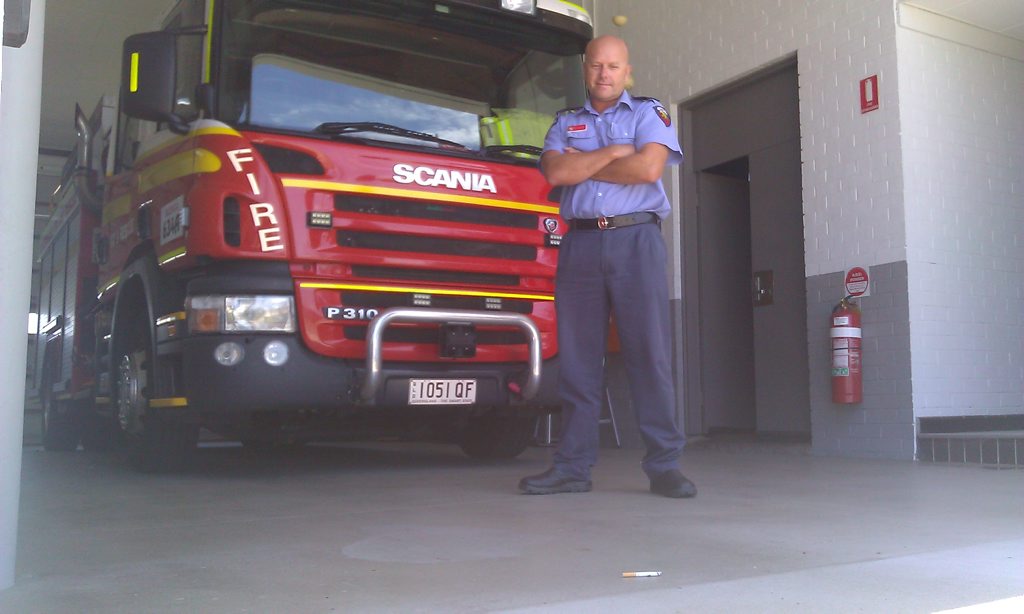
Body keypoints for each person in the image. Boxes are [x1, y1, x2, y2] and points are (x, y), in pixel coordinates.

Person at [518, 35, 695, 498]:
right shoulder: (565, 122)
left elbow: (647, 171)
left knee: (648, 355)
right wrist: (618, 153)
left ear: (626, 70)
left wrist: (589, 164)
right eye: (597, 65)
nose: (604, 74)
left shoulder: (647, 113)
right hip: (580, 245)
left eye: (613, 66)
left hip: (636, 238)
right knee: (578, 361)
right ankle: (573, 467)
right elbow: (556, 173)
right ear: (585, 68)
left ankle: (664, 466)